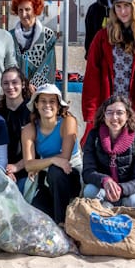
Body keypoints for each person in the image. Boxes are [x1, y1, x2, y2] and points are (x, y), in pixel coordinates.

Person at [82, 0, 135, 141]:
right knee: (104, 157)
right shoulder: (102, 37)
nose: (122, 11)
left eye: (127, 6)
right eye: (118, 6)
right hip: (107, 109)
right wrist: (92, 114)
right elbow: (91, 75)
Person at [22, 84, 82, 223]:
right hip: (46, 176)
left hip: (70, 173)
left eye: (52, 101)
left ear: (58, 105)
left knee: (56, 171)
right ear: (36, 104)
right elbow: (28, 166)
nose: (47, 105)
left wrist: (39, 165)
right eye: (43, 101)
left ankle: (62, 223)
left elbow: (65, 159)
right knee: (37, 211)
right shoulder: (29, 129)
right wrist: (50, 161)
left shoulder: (68, 121)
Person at [81, 95, 135, 209]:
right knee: (89, 191)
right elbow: (87, 172)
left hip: (127, 191)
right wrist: (105, 181)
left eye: (120, 113)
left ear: (127, 115)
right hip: (103, 188)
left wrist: (120, 189)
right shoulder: (94, 136)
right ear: (104, 116)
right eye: (109, 112)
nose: (114, 117)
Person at [9, 0, 57, 90]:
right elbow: (8, 63)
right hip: (15, 89)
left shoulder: (47, 35)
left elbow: (48, 64)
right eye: (20, 10)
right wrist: (20, 84)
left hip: (38, 91)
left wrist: (34, 85)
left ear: (35, 10)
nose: (23, 14)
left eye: (27, 9)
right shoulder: (10, 36)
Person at [0, 67, 32, 189]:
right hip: (0, 169)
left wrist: (16, 167)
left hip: (26, 168)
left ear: (23, 84)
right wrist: (3, 170)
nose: (10, 87)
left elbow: (38, 148)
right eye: (6, 83)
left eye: (14, 82)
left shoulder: (32, 111)